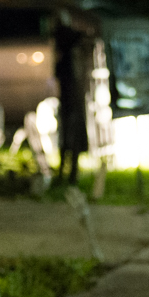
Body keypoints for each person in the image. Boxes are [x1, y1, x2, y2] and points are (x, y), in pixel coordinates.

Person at [54, 22, 88, 184]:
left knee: (70, 136)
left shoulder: (67, 56)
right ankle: (68, 173)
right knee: (69, 136)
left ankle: (69, 173)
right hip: (71, 100)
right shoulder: (68, 55)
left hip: (71, 100)